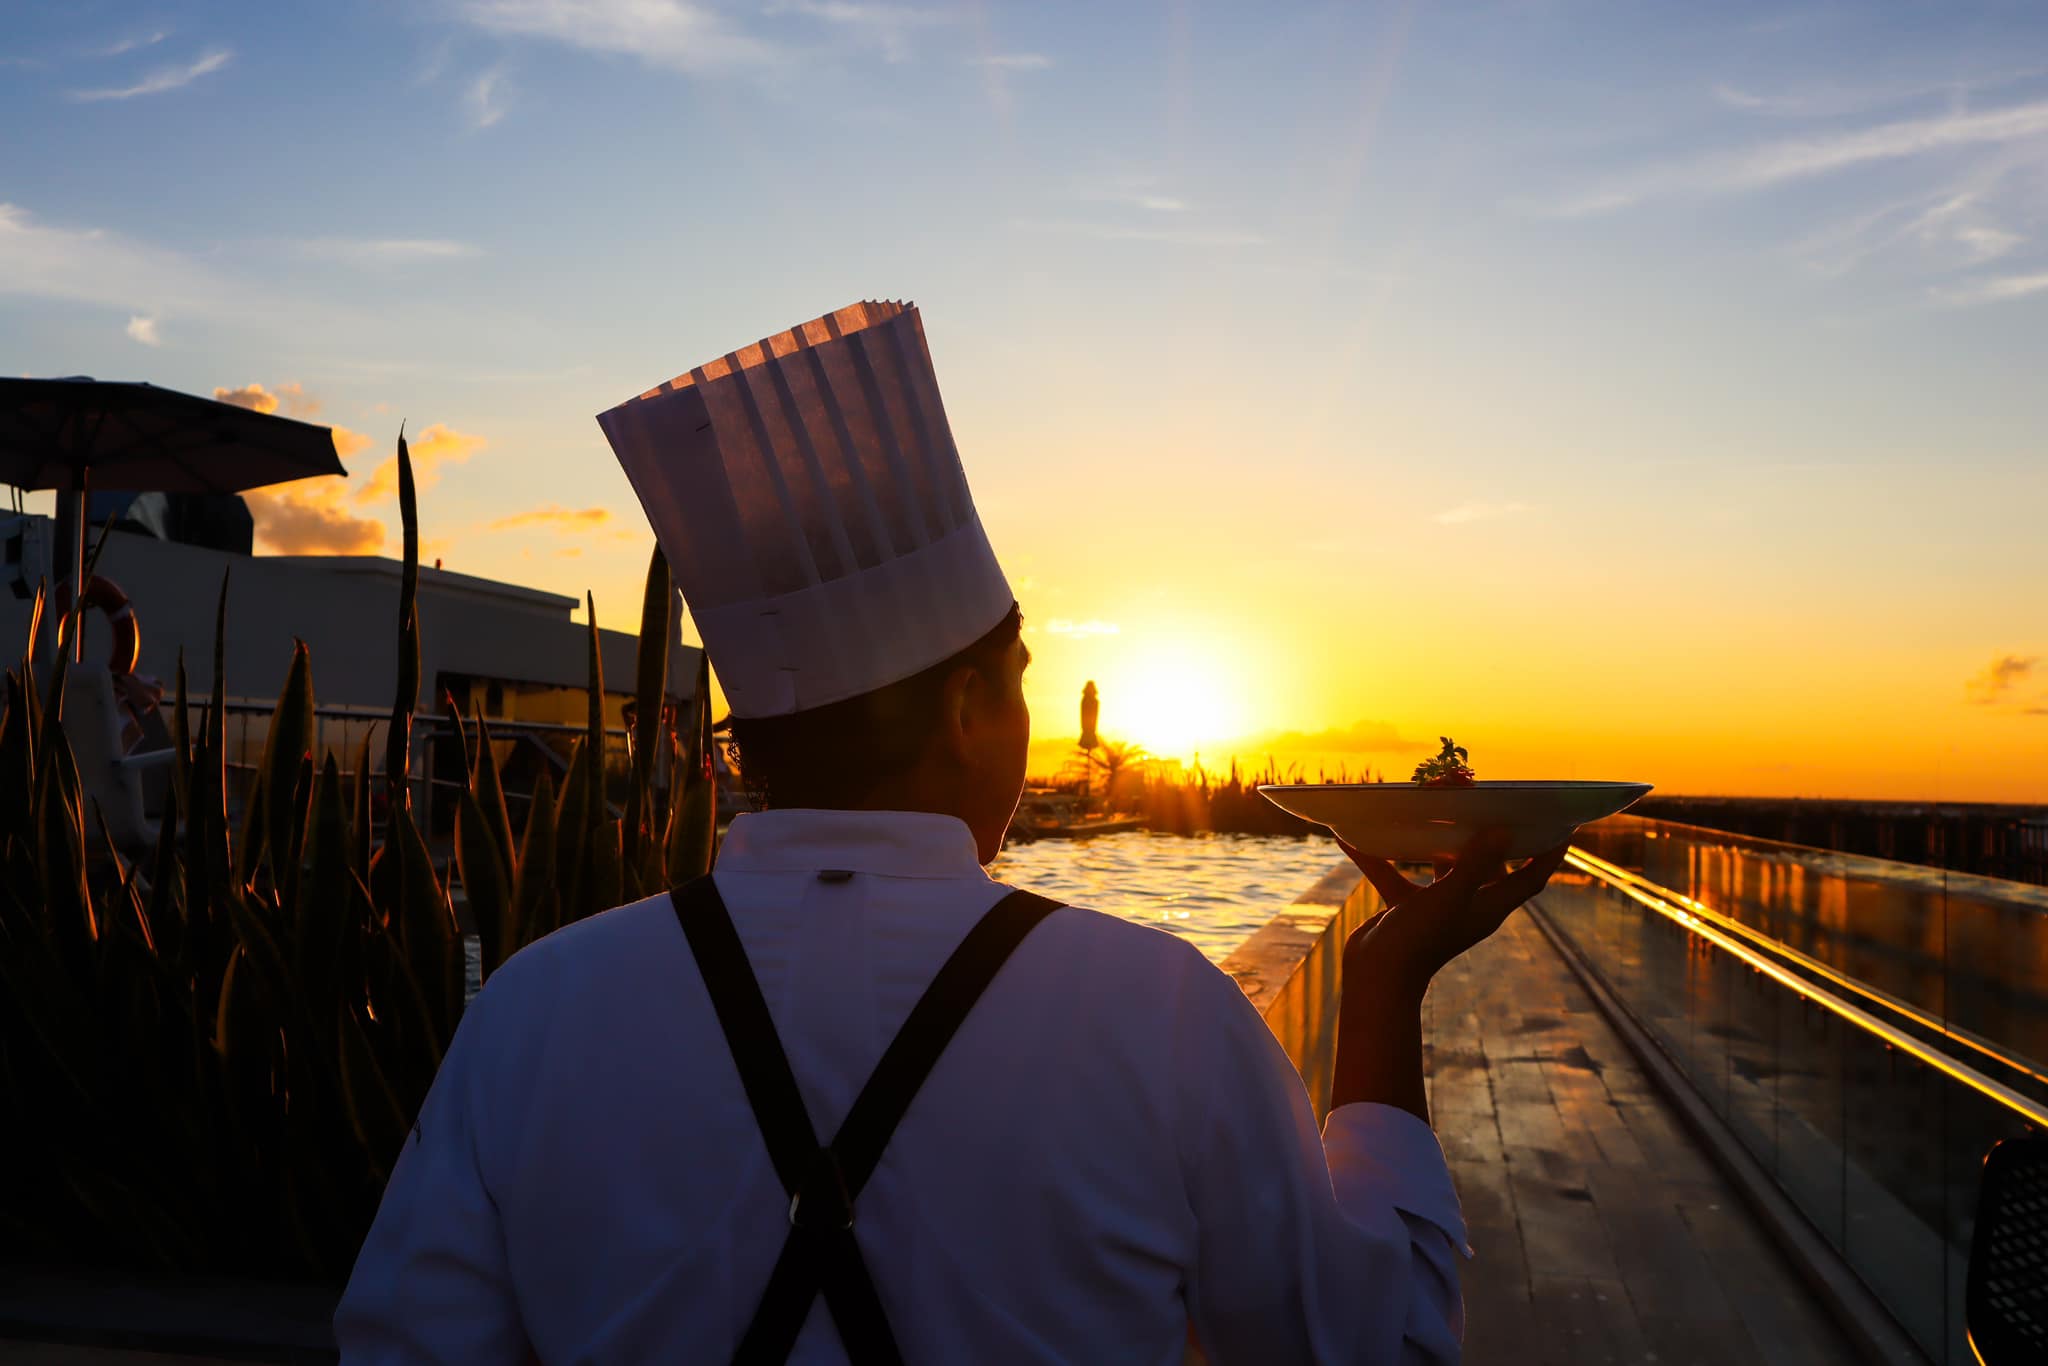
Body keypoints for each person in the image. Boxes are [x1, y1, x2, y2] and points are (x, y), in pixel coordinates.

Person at [334, 301, 1568, 1363]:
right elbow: (1376, 1343)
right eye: (1020, 682)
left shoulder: (534, 1012)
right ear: (970, 708)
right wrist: (1382, 985)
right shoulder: (1157, 1015)